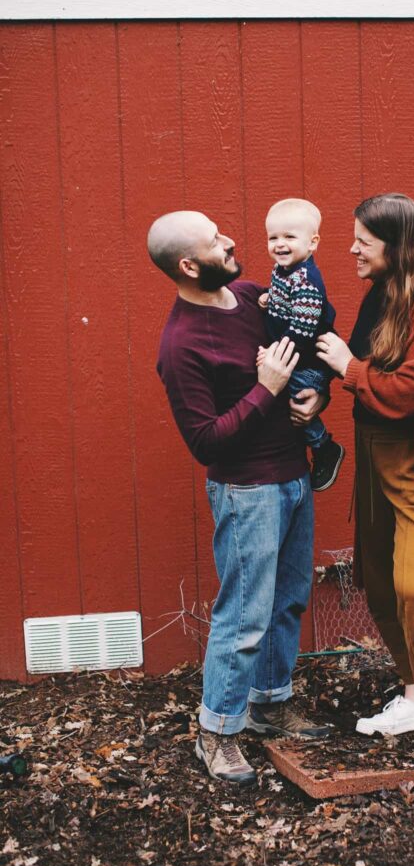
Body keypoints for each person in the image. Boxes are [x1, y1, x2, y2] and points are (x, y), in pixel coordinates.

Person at [148, 210, 330, 786]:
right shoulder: (181, 345)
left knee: (288, 601)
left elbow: (310, 334)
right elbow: (205, 442)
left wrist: (316, 395)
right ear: (188, 264)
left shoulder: (252, 298)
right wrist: (266, 389)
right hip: (247, 489)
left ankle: (270, 704)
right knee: (244, 616)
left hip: (293, 477)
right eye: (214, 241)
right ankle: (218, 732)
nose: (230, 240)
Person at [316, 193, 414, 762]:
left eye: (363, 239)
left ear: (397, 244)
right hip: (374, 453)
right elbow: (356, 371)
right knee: (381, 583)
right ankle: (413, 696)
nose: (352, 248)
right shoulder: (380, 295)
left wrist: (350, 370)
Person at [257, 198, 345, 491]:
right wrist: (271, 298)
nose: (279, 244)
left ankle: (324, 446)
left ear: (312, 243)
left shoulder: (306, 280)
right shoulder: (284, 269)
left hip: (308, 360)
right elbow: (287, 300)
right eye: (273, 237)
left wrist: (275, 353)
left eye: (289, 237)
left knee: (293, 396)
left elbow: (301, 331)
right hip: (296, 352)